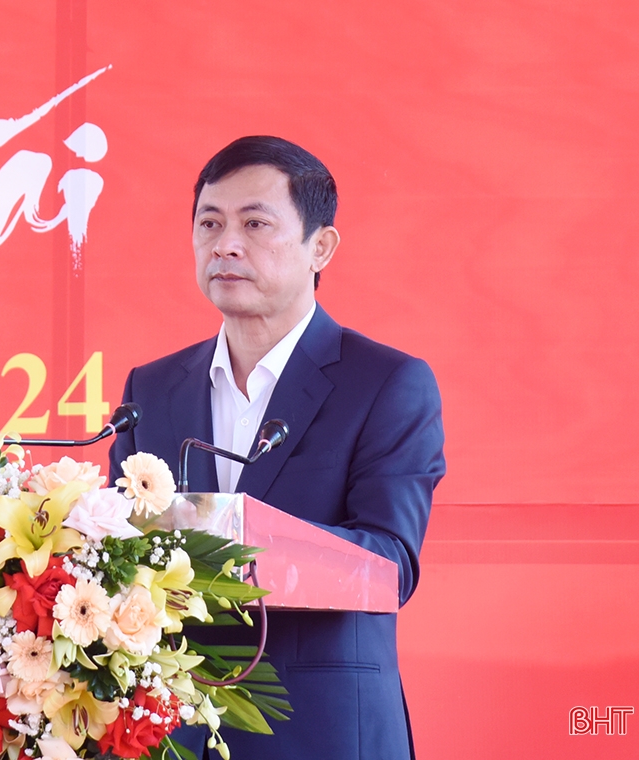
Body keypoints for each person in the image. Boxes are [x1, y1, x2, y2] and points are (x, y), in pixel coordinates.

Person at [108, 135, 445, 759]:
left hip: (320, 729)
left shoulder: (386, 382)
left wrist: (232, 541)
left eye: (255, 224)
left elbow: (390, 566)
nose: (225, 244)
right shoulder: (150, 390)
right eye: (210, 223)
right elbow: (118, 551)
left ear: (322, 246)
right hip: (174, 731)